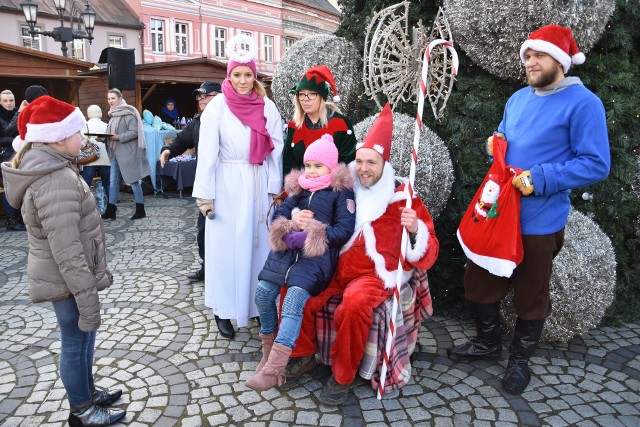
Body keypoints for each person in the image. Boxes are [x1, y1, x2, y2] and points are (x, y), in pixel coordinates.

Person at [447, 25, 611, 396]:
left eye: (538, 55)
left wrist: (542, 178)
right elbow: (506, 135)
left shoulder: (585, 104)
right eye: (527, 56)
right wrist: (496, 142)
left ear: (560, 60)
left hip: (540, 220)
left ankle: (519, 361)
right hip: (497, 213)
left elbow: (596, 163)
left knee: (531, 293)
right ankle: (488, 345)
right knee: (479, 279)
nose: (530, 62)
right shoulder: (518, 98)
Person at [286, 104, 439, 404]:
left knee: (352, 307)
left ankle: (342, 375)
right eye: (359, 161)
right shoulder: (344, 188)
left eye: (372, 162)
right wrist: (297, 216)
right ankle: (303, 354)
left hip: (374, 275)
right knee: (299, 292)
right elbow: (308, 198)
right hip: (336, 267)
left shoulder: (403, 198)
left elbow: (430, 248)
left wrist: (415, 231)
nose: (364, 168)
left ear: (384, 163)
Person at [0, 96, 126, 426]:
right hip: (66, 278)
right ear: (57, 137)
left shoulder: (54, 165)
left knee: (84, 337)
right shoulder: (54, 179)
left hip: (68, 275)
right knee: (74, 341)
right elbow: (67, 250)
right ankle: (81, 410)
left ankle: (87, 391)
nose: (83, 139)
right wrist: (87, 294)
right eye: (77, 132)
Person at [245, 134, 355, 391]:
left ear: (331, 166)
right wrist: (294, 218)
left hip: (315, 260)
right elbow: (279, 213)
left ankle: (275, 368)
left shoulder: (341, 193)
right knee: (262, 293)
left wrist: (313, 229)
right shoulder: (299, 189)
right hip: (286, 255)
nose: (312, 171)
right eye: (308, 166)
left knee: (294, 299)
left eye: (319, 166)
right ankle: (268, 352)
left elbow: (343, 230)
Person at [192, 34, 284, 339]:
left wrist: (274, 188)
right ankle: (223, 310)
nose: (243, 81)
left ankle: (256, 307)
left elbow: (276, 148)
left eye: (248, 75)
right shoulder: (217, 107)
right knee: (224, 250)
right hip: (227, 184)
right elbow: (206, 152)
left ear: (255, 76)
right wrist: (206, 196)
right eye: (237, 75)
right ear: (228, 75)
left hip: (257, 184)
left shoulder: (267, 106)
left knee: (258, 250)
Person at [159, 81, 221, 282]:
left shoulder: (228, 119)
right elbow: (182, 139)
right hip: (207, 187)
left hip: (228, 183)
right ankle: (207, 268)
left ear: (220, 95)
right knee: (204, 229)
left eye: (206, 95)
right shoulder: (199, 121)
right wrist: (168, 150)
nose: (201, 99)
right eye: (199, 96)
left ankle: (226, 272)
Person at [283, 65, 356, 177]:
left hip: (331, 190)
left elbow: (347, 164)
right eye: (301, 94)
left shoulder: (340, 124)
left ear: (322, 97)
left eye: (312, 94)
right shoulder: (294, 125)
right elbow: (288, 164)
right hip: (301, 188)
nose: (305, 99)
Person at [101, 88, 151, 221]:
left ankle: (140, 209)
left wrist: (119, 137)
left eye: (113, 98)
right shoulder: (112, 115)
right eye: (109, 98)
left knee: (133, 181)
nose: (110, 101)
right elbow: (110, 133)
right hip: (115, 154)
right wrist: (103, 138)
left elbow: (135, 132)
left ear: (120, 98)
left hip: (128, 154)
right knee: (113, 182)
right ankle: (111, 209)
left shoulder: (128, 113)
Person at [0, 89, 23, 230]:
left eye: (11, 100)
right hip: (5, 155)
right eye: (5, 100)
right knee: (9, 187)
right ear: (0, 102)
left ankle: (20, 216)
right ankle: (12, 219)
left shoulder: (18, 114)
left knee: (21, 187)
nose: (9, 103)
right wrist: (14, 140)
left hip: (20, 154)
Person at [80, 105, 111, 198]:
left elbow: (83, 141)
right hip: (105, 157)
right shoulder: (106, 125)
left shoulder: (85, 125)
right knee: (107, 182)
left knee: (86, 182)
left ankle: (84, 200)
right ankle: (112, 201)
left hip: (90, 157)